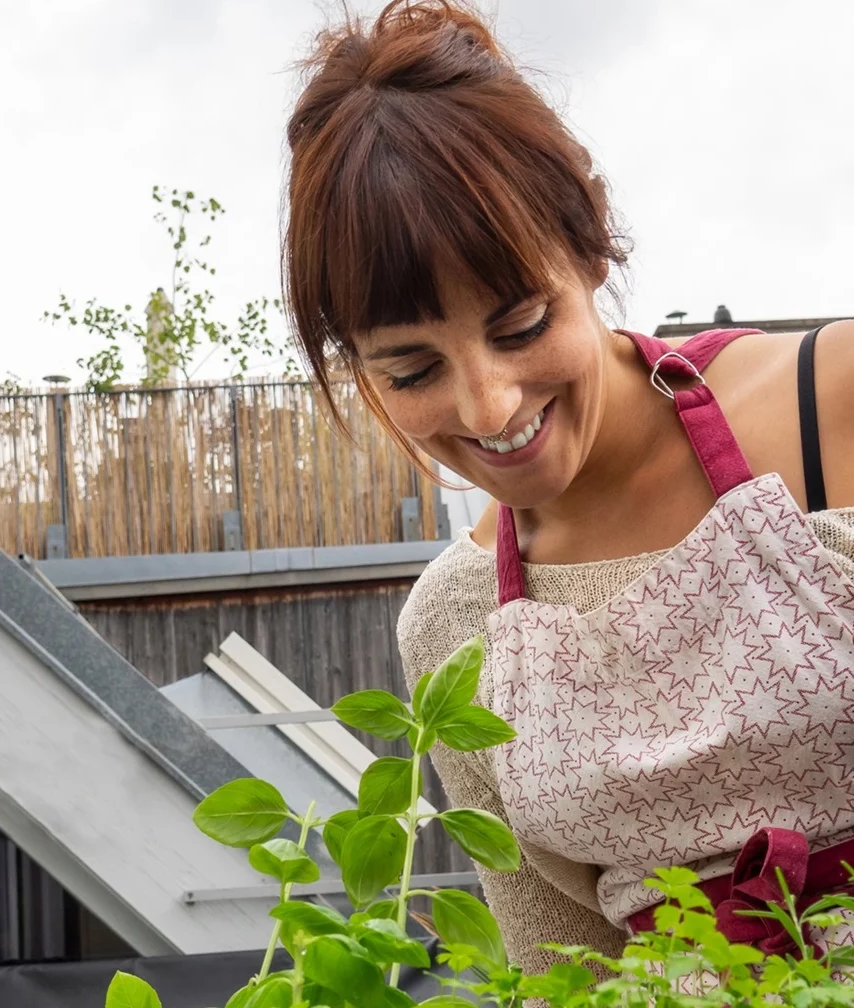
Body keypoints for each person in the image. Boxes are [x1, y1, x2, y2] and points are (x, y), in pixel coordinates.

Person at [282, 0, 854, 974]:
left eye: (517, 323)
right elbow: (557, 969)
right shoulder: (449, 629)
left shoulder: (827, 405)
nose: (488, 401)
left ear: (588, 251)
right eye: (410, 370)